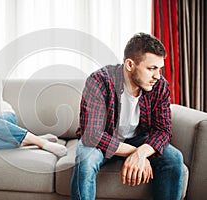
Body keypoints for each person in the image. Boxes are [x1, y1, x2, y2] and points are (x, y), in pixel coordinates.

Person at [70, 33, 183, 200]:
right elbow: (92, 134)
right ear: (130, 64)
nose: (157, 76)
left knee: (174, 158)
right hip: (102, 141)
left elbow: (163, 131)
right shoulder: (99, 80)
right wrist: (136, 153)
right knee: (86, 162)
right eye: (151, 68)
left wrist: (142, 152)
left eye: (160, 69)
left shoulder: (160, 86)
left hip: (138, 139)